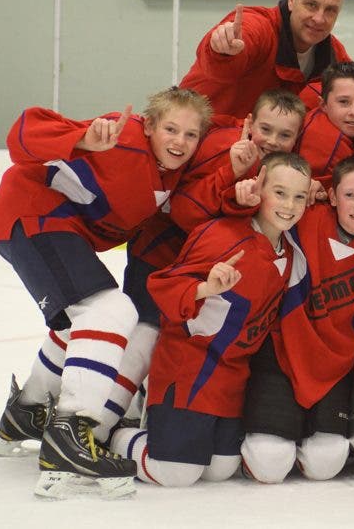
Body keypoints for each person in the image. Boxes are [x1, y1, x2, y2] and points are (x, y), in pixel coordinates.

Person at [0, 87, 213, 498]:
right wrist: (83, 137)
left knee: (88, 327)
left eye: (190, 135)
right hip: (32, 214)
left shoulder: (173, 174)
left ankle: (28, 411)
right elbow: (23, 132)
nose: (179, 141)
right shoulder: (124, 141)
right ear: (149, 126)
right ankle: (71, 432)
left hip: (57, 228)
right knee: (111, 311)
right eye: (170, 129)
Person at [101, 89, 306, 441]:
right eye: (266, 130)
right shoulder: (222, 146)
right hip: (161, 253)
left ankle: (134, 420)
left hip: (206, 264)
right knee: (145, 338)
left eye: (284, 135)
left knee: (168, 346)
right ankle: (95, 427)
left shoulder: (279, 169)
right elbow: (183, 210)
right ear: (249, 123)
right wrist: (230, 172)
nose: (272, 141)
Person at [109, 152, 312, 487]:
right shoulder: (222, 234)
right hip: (187, 370)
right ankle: (119, 438)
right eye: (279, 192)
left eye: (299, 196)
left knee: (220, 469)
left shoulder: (290, 253)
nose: (289, 205)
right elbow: (162, 287)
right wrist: (204, 288)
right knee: (177, 473)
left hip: (232, 380)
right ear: (258, 187)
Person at [240, 155, 354, 483]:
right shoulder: (305, 218)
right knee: (269, 464)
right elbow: (265, 203)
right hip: (283, 354)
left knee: (325, 463)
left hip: (338, 367)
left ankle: (302, 426)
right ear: (332, 196)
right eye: (350, 195)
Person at [180, 0, 349, 117]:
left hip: (257, 142)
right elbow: (235, 49)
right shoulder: (260, 27)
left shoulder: (334, 53)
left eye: (330, 10)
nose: (319, 18)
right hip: (190, 135)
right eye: (311, 5)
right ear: (292, 0)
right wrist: (223, 51)